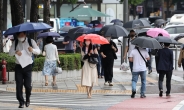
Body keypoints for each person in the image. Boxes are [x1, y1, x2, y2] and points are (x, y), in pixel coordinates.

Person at [9, 32, 40, 108]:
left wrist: (32, 50)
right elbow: (10, 53)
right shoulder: (15, 42)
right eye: (19, 35)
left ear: (25, 35)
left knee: (28, 85)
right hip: (18, 66)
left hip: (28, 66)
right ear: (17, 36)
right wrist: (15, 52)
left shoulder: (31, 41)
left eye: (22, 35)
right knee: (19, 85)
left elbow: (38, 51)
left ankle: (28, 99)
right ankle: (21, 102)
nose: (21, 37)